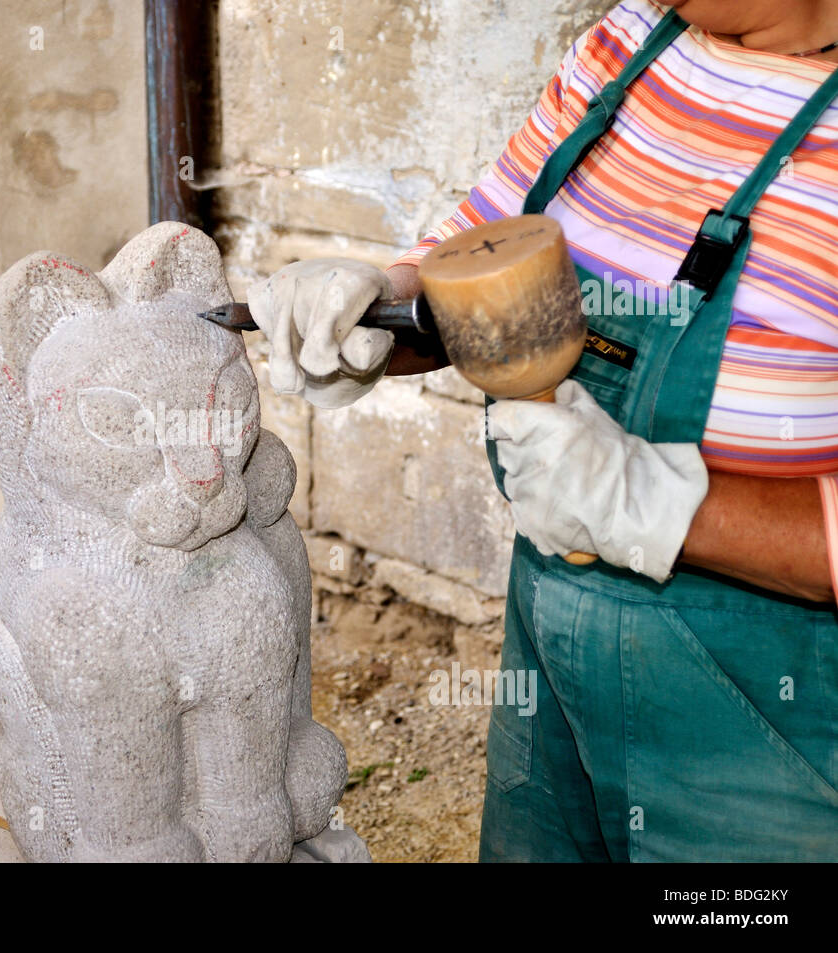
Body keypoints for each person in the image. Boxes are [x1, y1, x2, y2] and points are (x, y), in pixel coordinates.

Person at [246, 0, 838, 860]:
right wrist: (381, 307)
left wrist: (657, 507)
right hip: (553, 665)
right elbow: (482, 262)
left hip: (768, 724)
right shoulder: (630, 43)